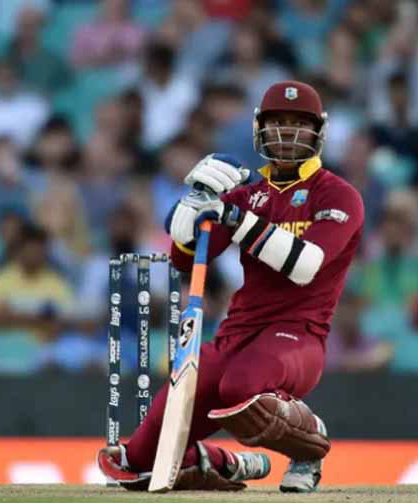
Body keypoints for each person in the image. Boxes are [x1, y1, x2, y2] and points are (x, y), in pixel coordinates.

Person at [98, 81, 364, 492]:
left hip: (298, 336)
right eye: (278, 122)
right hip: (236, 334)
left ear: (319, 131)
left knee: (241, 385)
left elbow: (304, 265)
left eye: (299, 123)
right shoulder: (246, 195)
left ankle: (308, 445)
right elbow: (184, 261)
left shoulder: (337, 195)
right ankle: (226, 462)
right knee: (141, 459)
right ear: (260, 129)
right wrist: (193, 204)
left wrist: (235, 219)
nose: (288, 132)